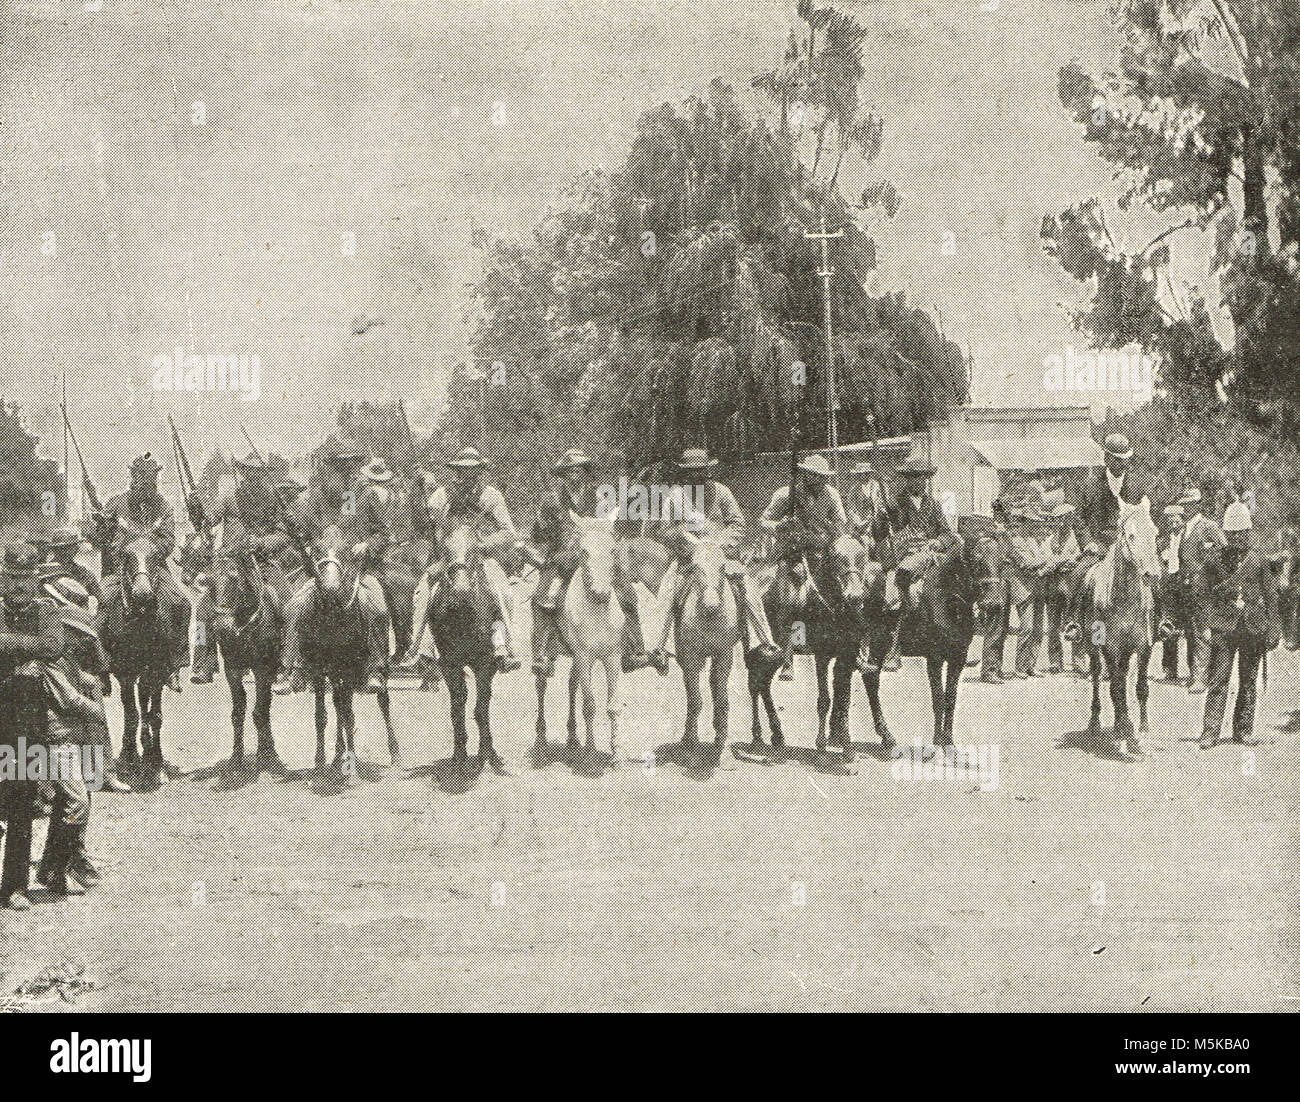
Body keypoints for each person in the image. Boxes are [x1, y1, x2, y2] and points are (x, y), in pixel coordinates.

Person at [648, 447, 780, 674]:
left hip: (722, 556)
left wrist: (722, 543)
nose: (696, 477)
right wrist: (684, 539)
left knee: (748, 588)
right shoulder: (676, 497)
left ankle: (764, 641)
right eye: (691, 473)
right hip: (689, 559)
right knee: (668, 590)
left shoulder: (722, 492)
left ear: (708, 471)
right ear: (684, 474)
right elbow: (661, 530)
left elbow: (738, 523)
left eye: (701, 471)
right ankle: (660, 648)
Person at [275, 440, 391, 693]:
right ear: (331, 467)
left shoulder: (365, 494)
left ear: (356, 466)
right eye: (340, 465)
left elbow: (383, 533)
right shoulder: (316, 498)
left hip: (357, 568)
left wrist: (367, 545)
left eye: (350, 465)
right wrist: (301, 539)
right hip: (323, 566)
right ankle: (293, 669)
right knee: (294, 606)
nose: (345, 470)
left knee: (378, 607)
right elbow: (297, 530)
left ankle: (376, 668)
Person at [526, 449, 651, 678]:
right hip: (563, 560)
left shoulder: (599, 497)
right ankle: (543, 655)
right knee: (544, 597)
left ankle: (634, 650)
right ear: (562, 474)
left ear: (586, 472)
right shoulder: (551, 500)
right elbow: (537, 535)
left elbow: (612, 528)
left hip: (596, 556)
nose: (575, 473)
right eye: (570, 470)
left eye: (580, 469)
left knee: (626, 591)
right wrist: (542, 556)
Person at [409, 446, 524, 674]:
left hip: (480, 556)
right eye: (463, 470)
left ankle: (502, 646)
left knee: (503, 592)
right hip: (449, 557)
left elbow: (508, 532)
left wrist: (483, 545)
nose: (467, 475)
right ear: (457, 471)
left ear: (480, 471)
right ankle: (421, 648)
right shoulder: (442, 495)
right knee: (424, 590)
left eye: (473, 470)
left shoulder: (491, 496)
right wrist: (418, 488)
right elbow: (424, 524)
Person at [85, 453, 191, 692]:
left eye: (151, 478)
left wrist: (149, 549)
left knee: (182, 603)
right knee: (102, 609)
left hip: (153, 568)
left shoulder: (164, 507)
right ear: (133, 477)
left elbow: (168, 541)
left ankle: (174, 665)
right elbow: (97, 539)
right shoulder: (115, 504)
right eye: (141, 477)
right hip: (121, 568)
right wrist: (101, 529)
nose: (146, 482)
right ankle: (101, 668)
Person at [192, 454, 298, 684]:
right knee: (202, 610)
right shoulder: (230, 497)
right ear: (242, 473)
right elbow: (210, 517)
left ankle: (287, 663)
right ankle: (203, 662)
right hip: (230, 563)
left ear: (263, 474)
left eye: (256, 472)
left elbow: (283, 536)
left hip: (263, 563)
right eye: (248, 472)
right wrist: (199, 512)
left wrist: (261, 543)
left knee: (290, 607)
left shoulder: (274, 500)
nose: (252, 477)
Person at [1, 543, 65, 909]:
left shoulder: (46, 611)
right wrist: (29, 648)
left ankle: (14, 886)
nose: (20, 587)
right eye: (13, 580)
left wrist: (11, 647)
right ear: (3, 580)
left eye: (27, 580)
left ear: (36, 580)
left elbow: (55, 645)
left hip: (28, 723)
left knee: (23, 803)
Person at [35, 604, 106, 896]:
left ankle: (53, 868)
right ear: (61, 630)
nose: (80, 641)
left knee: (74, 800)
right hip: (57, 739)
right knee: (77, 802)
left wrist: (92, 680)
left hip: (73, 737)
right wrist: (95, 708)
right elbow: (68, 698)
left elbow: (82, 682)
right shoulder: (50, 660)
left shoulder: (68, 658)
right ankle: (66, 862)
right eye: (75, 634)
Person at [1197, 501, 1279, 749]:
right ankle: (1210, 732)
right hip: (1224, 628)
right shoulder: (1213, 560)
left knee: (1248, 680)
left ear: (1248, 533)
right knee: (1218, 679)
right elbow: (1201, 593)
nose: (1237, 540)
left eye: (1242, 534)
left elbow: (1271, 595)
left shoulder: (1259, 560)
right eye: (1232, 535)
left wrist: (1274, 630)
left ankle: (1243, 730)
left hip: (1253, 628)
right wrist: (1206, 624)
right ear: (1226, 534)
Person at [759, 453, 848, 677]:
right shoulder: (786, 493)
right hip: (792, 550)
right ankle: (787, 656)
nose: (817, 480)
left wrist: (826, 538)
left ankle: (854, 649)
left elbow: (840, 524)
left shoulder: (831, 495)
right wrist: (780, 526)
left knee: (846, 591)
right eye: (813, 475)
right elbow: (764, 520)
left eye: (821, 477)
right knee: (787, 599)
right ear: (805, 474)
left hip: (822, 549)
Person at [1063, 433, 1147, 646]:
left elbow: (1145, 516)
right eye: (1116, 459)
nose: (1121, 463)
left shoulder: (1137, 486)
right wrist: (1088, 541)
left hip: (1131, 545)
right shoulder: (1090, 485)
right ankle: (1074, 623)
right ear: (1106, 459)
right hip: (1100, 546)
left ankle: (1163, 621)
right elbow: (1079, 518)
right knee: (1078, 574)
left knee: (1154, 574)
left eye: (1125, 459)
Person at [1177, 487, 1226, 694]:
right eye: (1184, 505)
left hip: (1205, 587)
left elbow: (1224, 549)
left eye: (1190, 504)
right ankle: (1195, 673)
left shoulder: (1208, 526)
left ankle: (1201, 677)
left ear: (1197, 505)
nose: (1186, 508)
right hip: (1187, 587)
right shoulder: (1184, 530)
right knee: (1190, 631)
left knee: (1202, 631)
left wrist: (1210, 572)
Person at [1156, 503, 1187, 682]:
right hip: (1168, 585)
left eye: (1176, 519)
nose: (1172, 523)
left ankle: (1193, 669)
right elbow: (1155, 555)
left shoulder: (1186, 537)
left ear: (1182, 520)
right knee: (1168, 627)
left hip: (1184, 584)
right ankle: (1169, 668)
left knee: (1189, 628)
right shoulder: (1164, 540)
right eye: (1170, 520)